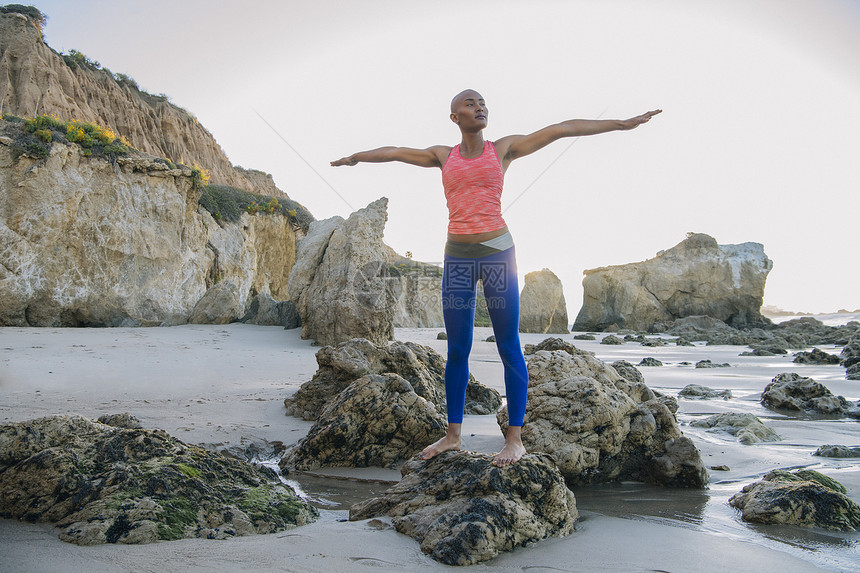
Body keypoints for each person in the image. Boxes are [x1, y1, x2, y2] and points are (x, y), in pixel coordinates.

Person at [332, 89, 661, 466]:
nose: (480, 106)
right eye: (470, 103)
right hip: (457, 258)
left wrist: (621, 124)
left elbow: (562, 129)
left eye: (482, 102)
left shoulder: (502, 149)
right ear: (455, 117)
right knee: (457, 350)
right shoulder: (444, 156)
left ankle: (515, 440)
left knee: (508, 346)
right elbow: (394, 151)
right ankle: (452, 436)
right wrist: (357, 157)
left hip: (498, 257)